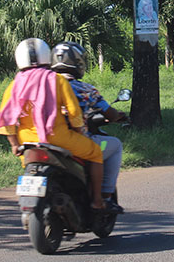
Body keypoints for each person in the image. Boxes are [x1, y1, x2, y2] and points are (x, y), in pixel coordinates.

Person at [0, 38, 115, 211]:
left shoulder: (14, 85)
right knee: (95, 153)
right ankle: (96, 200)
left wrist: (14, 144)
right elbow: (74, 113)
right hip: (58, 138)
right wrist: (80, 132)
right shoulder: (57, 80)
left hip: (27, 143)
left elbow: (7, 119)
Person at [50, 42, 126, 213]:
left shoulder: (43, 86)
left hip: (45, 137)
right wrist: (118, 116)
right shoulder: (85, 89)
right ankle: (103, 197)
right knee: (113, 145)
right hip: (75, 139)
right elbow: (110, 114)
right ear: (77, 62)